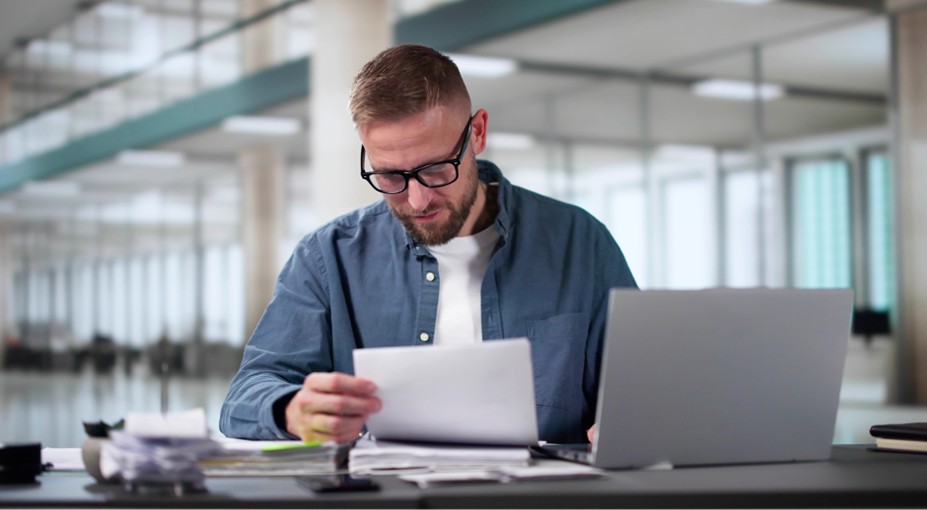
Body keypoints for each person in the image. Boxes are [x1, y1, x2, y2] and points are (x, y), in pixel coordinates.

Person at [219, 44, 636, 445]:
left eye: (436, 170)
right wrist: (291, 409)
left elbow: (642, 387)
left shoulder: (580, 244)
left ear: (477, 133)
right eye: (389, 176)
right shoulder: (328, 257)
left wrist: (624, 423)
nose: (416, 200)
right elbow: (244, 396)